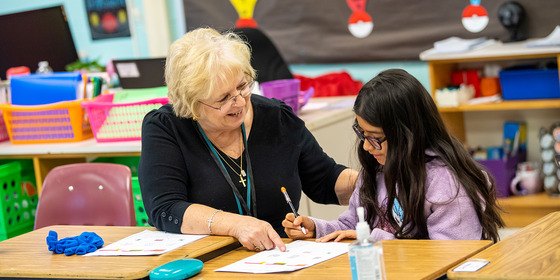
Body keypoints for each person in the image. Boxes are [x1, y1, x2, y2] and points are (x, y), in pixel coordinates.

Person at [138, 27, 358, 252]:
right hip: (206, 261)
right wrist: (235, 225)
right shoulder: (166, 128)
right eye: (224, 98)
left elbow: (325, 179)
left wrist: (379, 181)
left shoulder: (276, 117)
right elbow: (165, 208)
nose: (240, 102)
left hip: (280, 257)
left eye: (243, 86)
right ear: (192, 104)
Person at [283, 69, 504, 242]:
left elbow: (449, 256)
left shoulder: (447, 186)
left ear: (408, 134)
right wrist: (317, 228)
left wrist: (375, 237)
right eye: (362, 134)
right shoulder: (378, 168)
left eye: (375, 137)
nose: (368, 148)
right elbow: (354, 225)